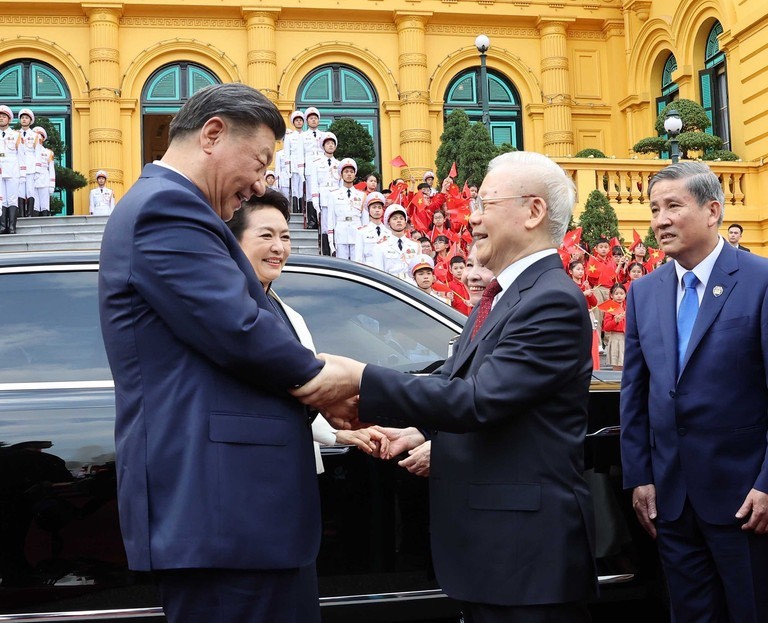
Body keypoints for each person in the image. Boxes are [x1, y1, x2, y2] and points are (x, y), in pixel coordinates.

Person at [296, 151, 597, 622]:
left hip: (524, 560)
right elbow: (453, 379)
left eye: (485, 204)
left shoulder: (551, 300)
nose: (472, 217)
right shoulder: (507, 295)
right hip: (496, 555)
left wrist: (359, 377)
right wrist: (416, 430)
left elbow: (479, 400)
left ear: (533, 212)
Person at [98, 83, 357, 623]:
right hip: (223, 517)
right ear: (213, 133)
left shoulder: (179, 210)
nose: (261, 183)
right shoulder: (166, 208)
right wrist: (337, 380)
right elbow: (243, 332)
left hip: (240, 519)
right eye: (259, 162)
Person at [620, 161, 768, 623]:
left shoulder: (760, 281)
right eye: (654, 208)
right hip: (671, 503)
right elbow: (635, 393)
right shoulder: (644, 292)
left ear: (712, 211)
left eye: (673, 206)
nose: (660, 220)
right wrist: (640, 477)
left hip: (745, 501)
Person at [225, 190, 386, 467]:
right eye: (266, 236)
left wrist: (335, 432)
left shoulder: (291, 315)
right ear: (234, 242)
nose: (279, 248)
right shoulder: (228, 312)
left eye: (285, 237)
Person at [327, 157, 364, 259]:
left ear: (355, 175)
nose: (349, 174)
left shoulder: (361, 195)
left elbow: (364, 220)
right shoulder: (333, 195)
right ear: (341, 174)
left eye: (351, 172)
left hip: (357, 232)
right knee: (342, 264)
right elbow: (331, 218)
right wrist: (331, 239)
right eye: (346, 171)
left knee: (357, 263)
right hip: (341, 232)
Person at [371, 203, 420, 280]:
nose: (399, 221)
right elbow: (379, 273)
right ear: (388, 223)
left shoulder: (415, 245)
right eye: (395, 218)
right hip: (391, 286)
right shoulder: (380, 247)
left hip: (411, 286)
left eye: (401, 218)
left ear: (405, 222)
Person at [0, 105, 21, 234]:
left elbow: (22, 155)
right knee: (1, 199)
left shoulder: (16, 135)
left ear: (9, 119)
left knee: (12, 198)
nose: (1, 118)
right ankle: (2, 226)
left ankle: (12, 226)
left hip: (13, 170)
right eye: (0, 116)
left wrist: (23, 174)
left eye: (4, 116)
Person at [354, 191, 388, 266]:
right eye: (374, 207)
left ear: (383, 210)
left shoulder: (389, 232)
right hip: (369, 268)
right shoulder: (362, 232)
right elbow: (359, 257)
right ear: (368, 210)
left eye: (379, 207)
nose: (377, 210)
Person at [17, 108, 38, 218]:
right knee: (20, 190)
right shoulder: (15, 134)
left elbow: (37, 153)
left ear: (30, 121)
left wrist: (37, 169)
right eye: (22, 118)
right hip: (19, 166)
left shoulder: (34, 135)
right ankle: (21, 214)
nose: (24, 120)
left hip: (30, 166)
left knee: (30, 190)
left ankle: (29, 214)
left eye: (26, 118)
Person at [284, 110, 305, 214]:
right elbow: (287, 153)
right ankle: (296, 209)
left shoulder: (306, 136)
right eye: (297, 120)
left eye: (300, 120)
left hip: (304, 166)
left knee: (302, 188)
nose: (299, 122)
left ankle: (302, 208)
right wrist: (288, 167)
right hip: (294, 164)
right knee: (295, 188)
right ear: (293, 123)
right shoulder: (289, 137)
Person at [602, 283, 626, 371]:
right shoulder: (610, 308)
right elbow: (606, 327)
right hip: (616, 338)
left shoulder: (629, 306)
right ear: (611, 295)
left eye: (621, 293)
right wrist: (615, 321)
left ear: (625, 294)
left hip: (627, 338)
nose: (619, 296)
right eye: (616, 294)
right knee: (618, 367)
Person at [32, 126, 56, 216]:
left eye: (40, 136)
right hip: (33, 180)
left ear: (43, 138)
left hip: (44, 180)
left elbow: (51, 169)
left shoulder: (48, 152)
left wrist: (52, 185)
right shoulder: (29, 151)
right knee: (35, 205)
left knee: (45, 205)